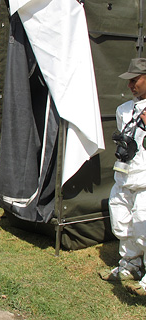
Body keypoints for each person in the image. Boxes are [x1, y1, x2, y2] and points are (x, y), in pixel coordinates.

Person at [100, 58, 146, 296]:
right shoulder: (123, 110)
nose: (130, 85)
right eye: (128, 81)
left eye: (134, 80)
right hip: (124, 174)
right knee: (121, 221)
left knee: (143, 225)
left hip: (145, 179)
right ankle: (130, 265)